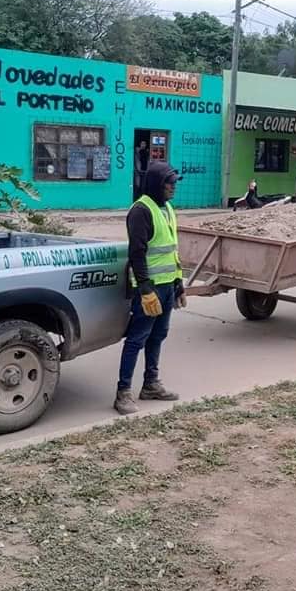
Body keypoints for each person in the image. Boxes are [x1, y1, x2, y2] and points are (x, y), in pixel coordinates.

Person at [115, 160, 185, 415]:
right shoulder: (141, 211)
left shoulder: (167, 208)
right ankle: (123, 393)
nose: (173, 187)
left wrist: (179, 284)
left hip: (167, 287)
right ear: (156, 184)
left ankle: (151, 384)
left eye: (174, 183)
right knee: (137, 339)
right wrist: (145, 290)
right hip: (150, 289)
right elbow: (137, 253)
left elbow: (171, 251)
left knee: (158, 336)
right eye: (169, 183)